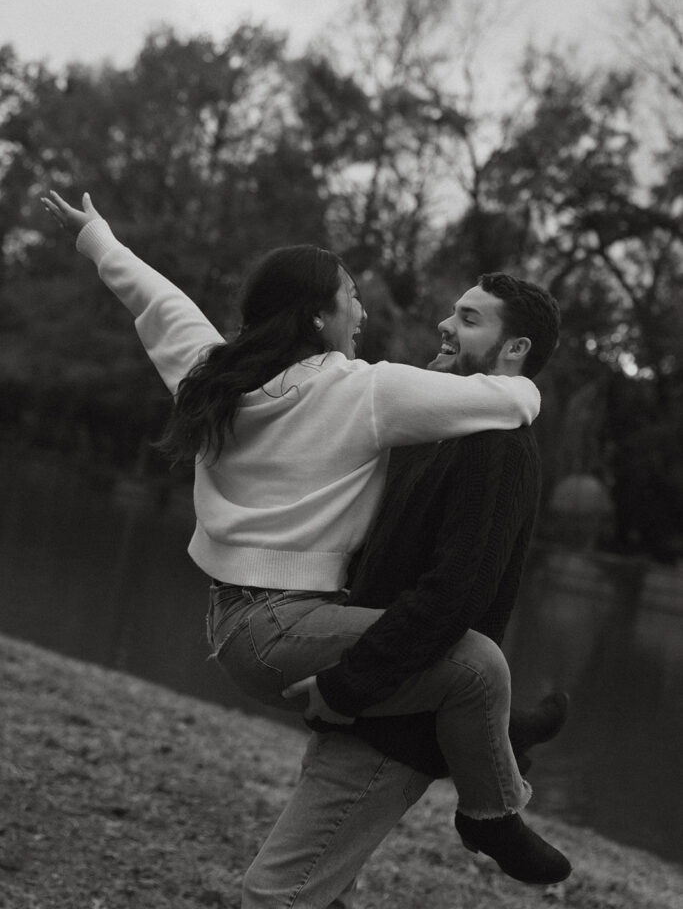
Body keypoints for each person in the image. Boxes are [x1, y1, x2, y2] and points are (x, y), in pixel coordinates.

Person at [42, 191, 568, 885]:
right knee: (477, 668)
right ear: (319, 316)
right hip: (285, 623)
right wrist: (524, 388)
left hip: (238, 620)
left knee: (471, 681)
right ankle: (492, 807)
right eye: (351, 296)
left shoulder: (215, 374)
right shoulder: (361, 392)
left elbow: (159, 307)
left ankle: (494, 740)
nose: (364, 311)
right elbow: (503, 400)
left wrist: (100, 241)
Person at [241, 273, 569, 906]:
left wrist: (345, 685)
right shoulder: (434, 428)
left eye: (470, 319)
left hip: (391, 710)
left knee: (278, 893)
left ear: (514, 349)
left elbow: (456, 593)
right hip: (376, 691)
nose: (446, 325)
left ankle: (491, 767)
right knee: (322, 891)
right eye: (454, 313)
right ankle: (497, 738)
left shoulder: (496, 447)